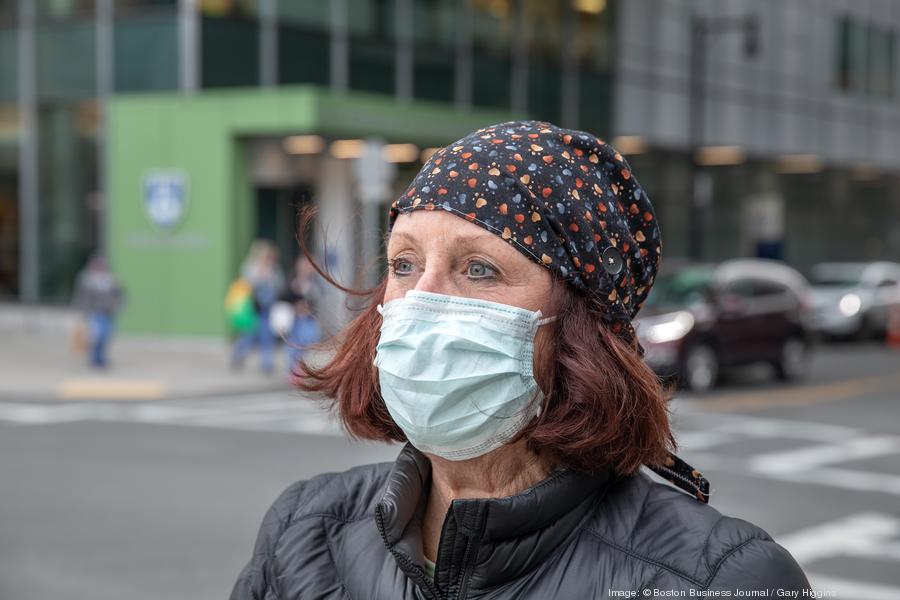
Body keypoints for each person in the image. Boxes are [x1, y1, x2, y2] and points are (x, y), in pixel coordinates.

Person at [230, 121, 811, 599]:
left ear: (581, 328)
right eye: (404, 265)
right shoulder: (305, 530)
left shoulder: (722, 581)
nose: (419, 301)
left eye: (479, 269)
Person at [231, 240, 284, 374]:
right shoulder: (250, 266)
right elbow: (246, 283)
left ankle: (267, 363)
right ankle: (238, 354)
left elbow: (279, 285)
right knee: (249, 333)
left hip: (267, 307)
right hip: (253, 306)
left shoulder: (274, 268)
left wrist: (270, 277)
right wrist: (259, 276)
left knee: (267, 335)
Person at [72, 254, 125, 369]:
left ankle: (102, 358)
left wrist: (118, 305)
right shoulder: (87, 280)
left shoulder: (111, 280)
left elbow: (119, 295)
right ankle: (94, 359)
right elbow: (82, 297)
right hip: (94, 313)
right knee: (96, 337)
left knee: (105, 337)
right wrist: (84, 311)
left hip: (108, 313)